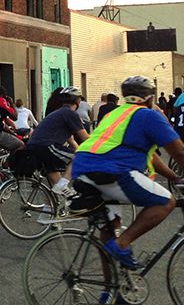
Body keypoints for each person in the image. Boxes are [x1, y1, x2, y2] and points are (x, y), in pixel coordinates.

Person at [71, 75, 184, 269]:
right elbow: (179, 151)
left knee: (109, 229)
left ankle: (111, 292)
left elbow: (152, 158)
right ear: (150, 98)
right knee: (166, 202)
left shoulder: (114, 114)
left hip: (82, 169)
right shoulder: (149, 115)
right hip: (113, 172)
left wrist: (174, 177)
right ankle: (122, 245)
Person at [25, 86, 88, 194]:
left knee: (56, 181)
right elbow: (85, 138)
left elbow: (71, 140)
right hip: (46, 146)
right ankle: (63, 185)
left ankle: (52, 207)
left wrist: (78, 149)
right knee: (79, 157)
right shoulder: (70, 113)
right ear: (77, 100)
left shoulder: (59, 113)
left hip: (34, 146)